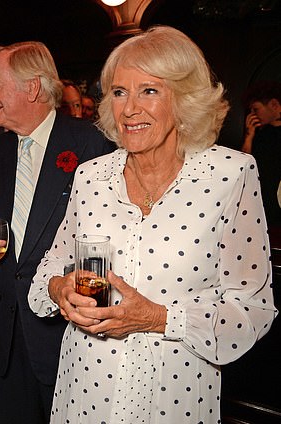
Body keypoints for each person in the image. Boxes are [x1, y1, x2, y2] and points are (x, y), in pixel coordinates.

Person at [28, 26, 277, 424]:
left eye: (149, 91)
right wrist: (60, 289)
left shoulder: (230, 175)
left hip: (175, 392)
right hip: (87, 387)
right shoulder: (91, 176)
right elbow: (47, 275)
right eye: (119, 92)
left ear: (184, 98)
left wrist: (159, 317)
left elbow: (253, 310)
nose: (129, 109)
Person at [0, 41, 114, 424]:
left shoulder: (91, 143)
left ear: (31, 88)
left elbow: (105, 239)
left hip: (65, 331)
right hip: (6, 329)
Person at [240, 80, 281, 228]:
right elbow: (244, 166)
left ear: (274, 105)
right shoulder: (260, 134)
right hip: (262, 206)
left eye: (256, 109)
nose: (253, 115)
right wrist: (249, 137)